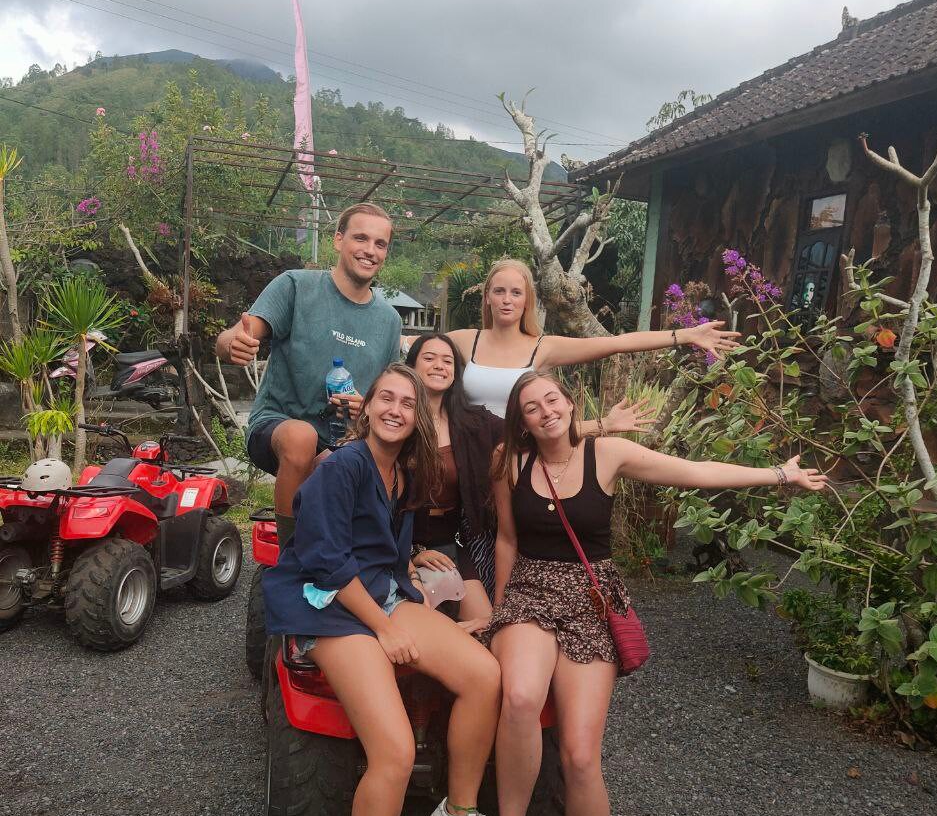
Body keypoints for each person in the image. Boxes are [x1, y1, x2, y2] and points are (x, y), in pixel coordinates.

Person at [483, 369, 827, 816]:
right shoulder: (507, 462)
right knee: (517, 698)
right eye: (531, 407)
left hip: (593, 597)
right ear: (521, 421)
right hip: (531, 593)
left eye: (553, 400)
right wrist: (496, 612)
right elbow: (509, 541)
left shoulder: (607, 454)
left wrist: (779, 474)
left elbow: (692, 473)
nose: (545, 412)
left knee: (580, 754)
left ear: (571, 404)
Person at [262, 364, 503, 816]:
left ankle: (457, 810)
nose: (396, 408)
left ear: (418, 414)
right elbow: (324, 559)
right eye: (386, 399)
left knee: (482, 675)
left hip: (381, 591)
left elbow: (381, 551)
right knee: (393, 751)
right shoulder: (337, 468)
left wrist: (414, 581)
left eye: (407, 401)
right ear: (366, 408)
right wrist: (391, 628)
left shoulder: (405, 472)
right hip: (332, 604)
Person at [216, 203, 401, 547]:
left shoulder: (388, 320)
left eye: (380, 244)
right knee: (301, 438)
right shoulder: (296, 287)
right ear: (338, 240)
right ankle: (292, 554)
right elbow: (236, 335)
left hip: (345, 442)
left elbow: (389, 393)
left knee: (377, 458)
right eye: (361, 238)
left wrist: (369, 407)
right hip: (278, 429)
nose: (370, 251)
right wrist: (233, 344)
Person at [445, 258, 741, 420]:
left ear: (527, 301)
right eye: (499, 291)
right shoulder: (463, 341)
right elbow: (409, 348)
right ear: (487, 297)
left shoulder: (542, 347)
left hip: (519, 461)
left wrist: (687, 334)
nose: (507, 300)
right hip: (466, 459)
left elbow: (616, 343)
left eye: (516, 293)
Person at [405, 332, 504, 625]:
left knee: (484, 626)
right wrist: (410, 554)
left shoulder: (472, 422)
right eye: (429, 358)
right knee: (421, 626)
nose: (439, 365)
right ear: (411, 366)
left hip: (449, 540)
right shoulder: (397, 419)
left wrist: (600, 426)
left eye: (447, 361)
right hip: (399, 541)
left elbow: (534, 430)